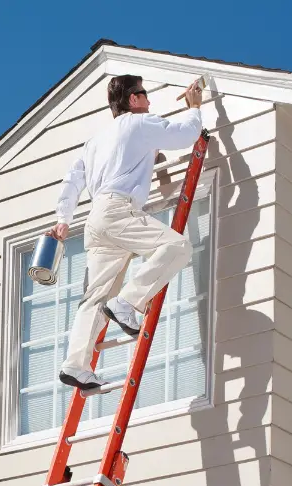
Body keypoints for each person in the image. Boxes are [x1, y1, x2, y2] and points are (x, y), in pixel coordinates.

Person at [48, 75, 205, 392]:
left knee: (95, 298)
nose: (149, 101)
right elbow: (186, 133)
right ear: (134, 100)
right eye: (145, 95)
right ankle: (129, 302)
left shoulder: (95, 142)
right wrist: (195, 106)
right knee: (177, 248)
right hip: (119, 210)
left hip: (96, 219)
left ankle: (76, 365)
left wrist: (63, 218)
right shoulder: (140, 123)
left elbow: (72, 180)